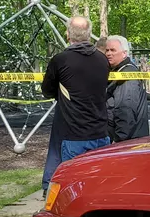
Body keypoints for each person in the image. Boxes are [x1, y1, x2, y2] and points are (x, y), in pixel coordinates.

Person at [40, 16, 110, 194]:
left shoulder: (61, 60)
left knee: (71, 186)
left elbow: (47, 90)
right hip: (100, 131)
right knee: (98, 184)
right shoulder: (102, 60)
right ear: (89, 35)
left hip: (73, 134)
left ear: (67, 35)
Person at [104, 35, 150, 142]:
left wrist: (119, 140)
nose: (109, 54)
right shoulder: (118, 71)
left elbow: (126, 111)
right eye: (107, 50)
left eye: (113, 50)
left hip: (128, 140)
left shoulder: (126, 75)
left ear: (124, 53)